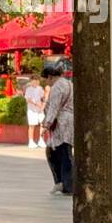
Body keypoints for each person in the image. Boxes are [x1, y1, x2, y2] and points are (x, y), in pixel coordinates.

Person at [41, 61, 74, 196]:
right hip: (69, 121)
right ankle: (64, 183)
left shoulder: (56, 87)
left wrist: (46, 124)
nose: (46, 82)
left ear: (50, 76)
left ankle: (65, 184)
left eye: (46, 78)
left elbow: (54, 107)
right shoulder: (69, 84)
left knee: (60, 153)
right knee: (63, 152)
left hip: (60, 123)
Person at [24, 75, 46, 149]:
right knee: (32, 125)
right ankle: (31, 141)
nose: (36, 82)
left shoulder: (40, 88)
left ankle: (41, 140)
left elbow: (43, 97)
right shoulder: (28, 89)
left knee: (42, 124)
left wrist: (43, 104)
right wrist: (36, 104)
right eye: (34, 80)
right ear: (31, 81)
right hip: (31, 110)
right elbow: (28, 99)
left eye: (37, 80)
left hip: (40, 110)